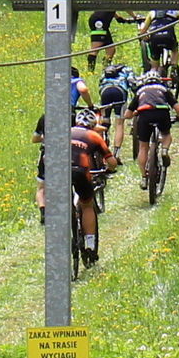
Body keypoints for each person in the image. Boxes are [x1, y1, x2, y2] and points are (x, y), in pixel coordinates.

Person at [70, 109, 117, 266]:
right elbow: (111, 162)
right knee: (87, 204)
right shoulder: (94, 136)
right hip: (80, 171)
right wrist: (110, 170)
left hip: (56, 169)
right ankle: (90, 245)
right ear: (93, 125)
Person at [126, 70, 179, 189]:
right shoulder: (164, 90)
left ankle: (144, 177)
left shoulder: (140, 92)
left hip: (144, 115)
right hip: (162, 113)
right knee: (166, 134)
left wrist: (136, 112)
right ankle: (164, 150)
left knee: (143, 146)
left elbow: (127, 115)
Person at [86, 0, 135, 71]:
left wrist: (117, 17)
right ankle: (90, 72)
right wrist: (134, 16)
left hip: (101, 20)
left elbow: (107, 3)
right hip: (99, 21)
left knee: (111, 50)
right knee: (95, 48)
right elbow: (123, 2)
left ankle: (106, 70)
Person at [98, 62, 137, 157]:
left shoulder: (106, 71)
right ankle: (116, 154)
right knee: (119, 123)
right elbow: (133, 83)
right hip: (119, 91)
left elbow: (100, 83)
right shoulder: (127, 69)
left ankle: (102, 146)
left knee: (104, 120)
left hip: (105, 92)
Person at [138, 6, 179, 70]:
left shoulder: (152, 12)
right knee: (174, 50)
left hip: (154, 39)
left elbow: (142, 32)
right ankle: (173, 67)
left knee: (154, 65)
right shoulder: (177, 11)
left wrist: (145, 38)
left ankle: (154, 72)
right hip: (169, 37)